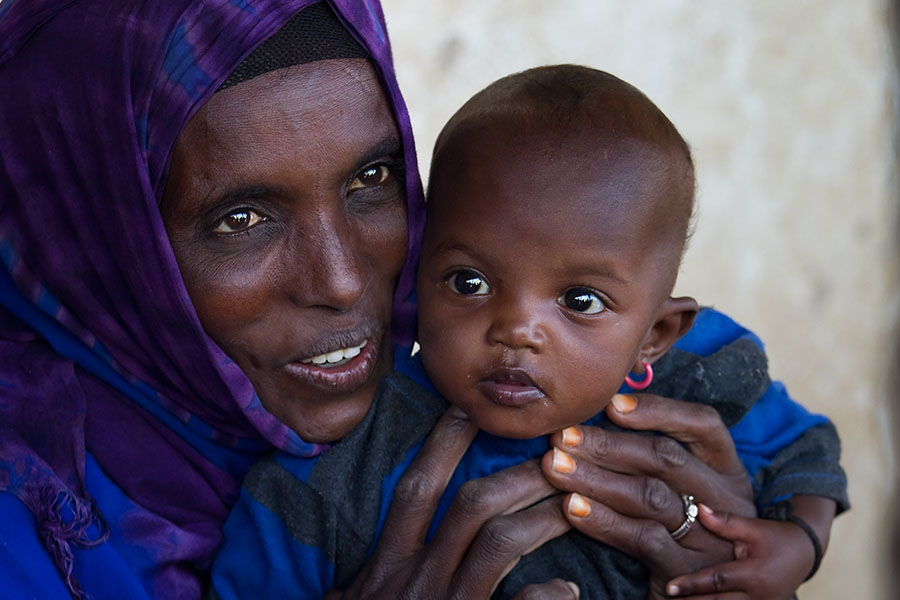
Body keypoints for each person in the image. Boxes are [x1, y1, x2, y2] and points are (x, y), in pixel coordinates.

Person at [0, 0, 845, 598]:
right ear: (96, 239)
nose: (342, 281)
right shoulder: (34, 541)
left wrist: (763, 548)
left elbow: (800, 455)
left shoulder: (672, 383)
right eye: (241, 219)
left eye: (372, 178)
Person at [210, 65, 848, 599]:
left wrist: (799, 542)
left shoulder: (699, 373)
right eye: (468, 283)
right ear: (415, 275)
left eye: (580, 300)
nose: (516, 329)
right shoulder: (337, 467)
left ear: (656, 334)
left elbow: (804, 449)